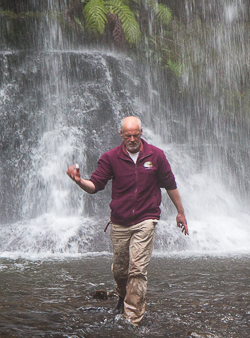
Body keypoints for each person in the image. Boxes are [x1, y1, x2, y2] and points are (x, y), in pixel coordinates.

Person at [66, 116, 188, 325]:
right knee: (121, 271)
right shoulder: (110, 158)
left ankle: (131, 319)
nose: (132, 138)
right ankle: (122, 296)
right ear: (121, 134)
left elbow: (170, 184)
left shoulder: (156, 156)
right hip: (120, 221)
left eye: (136, 134)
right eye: (128, 135)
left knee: (137, 270)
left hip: (146, 219)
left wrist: (180, 212)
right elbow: (95, 186)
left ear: (141, 132)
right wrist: (79, 181)